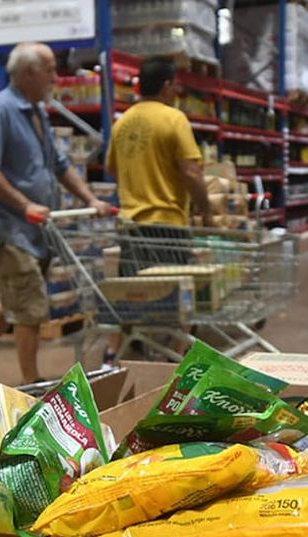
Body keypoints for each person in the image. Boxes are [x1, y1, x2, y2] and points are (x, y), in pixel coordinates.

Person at [0, 42, 111, 384]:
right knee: (30, 310)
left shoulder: (35, 111)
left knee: (16, 300)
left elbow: (59, 165)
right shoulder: (0, 110)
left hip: (36, 231)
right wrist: (25, 206)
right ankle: (31, 386)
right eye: (50, 70)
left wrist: (90, 198)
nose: (56, 77)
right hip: (9, 229)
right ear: (28, 73)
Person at [102, 56, 212, 365]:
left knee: (130, 296)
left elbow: (112, 167)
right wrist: (206, 211)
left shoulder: (121, 123)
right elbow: (191, 172)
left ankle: (115, 354)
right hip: (168, 225)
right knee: (182, 298)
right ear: (167, 86)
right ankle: (177, 358)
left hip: (132, 226)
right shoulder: (173, 118)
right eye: (175, 83)